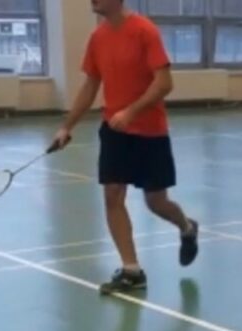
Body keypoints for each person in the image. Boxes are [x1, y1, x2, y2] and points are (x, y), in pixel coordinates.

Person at [51, 0, 199, 294]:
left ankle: (187, 227)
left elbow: (164, 83)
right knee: (112, 196)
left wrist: (131, 112)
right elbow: (90, 85)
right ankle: (132, 271)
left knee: (156, 202)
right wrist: (67, 126)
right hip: (114, 131)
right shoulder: (98, 37)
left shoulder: (144, 31)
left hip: (150, 132)